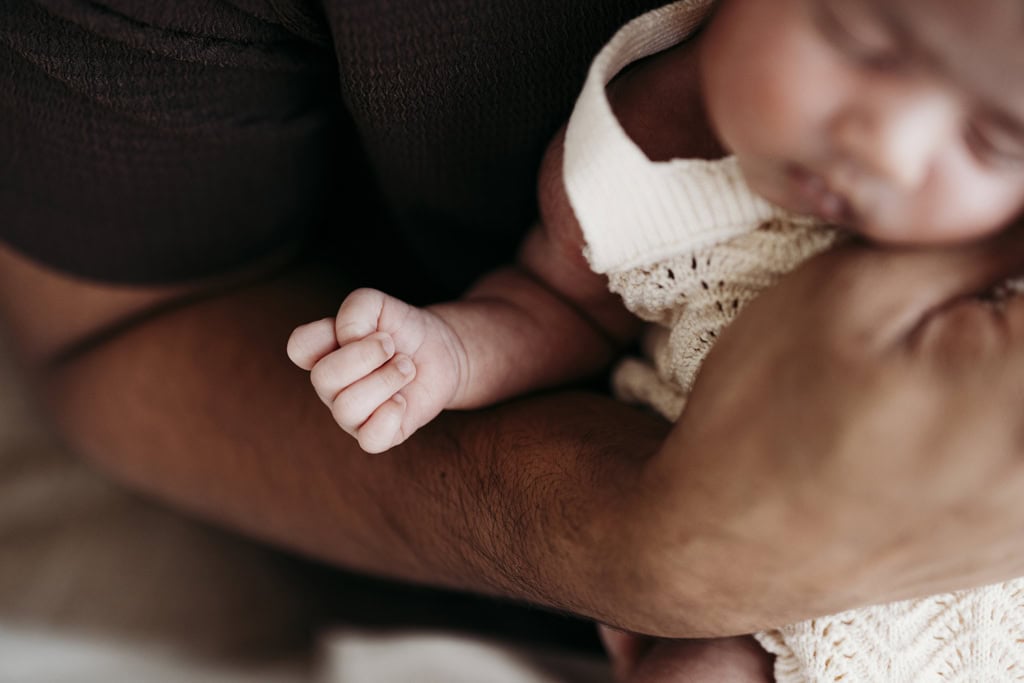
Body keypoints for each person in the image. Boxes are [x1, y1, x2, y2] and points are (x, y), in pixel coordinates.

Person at [6, 0, 1024, 679]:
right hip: (745, 592)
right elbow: (560, 308)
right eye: (858, 35)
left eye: (993, 136)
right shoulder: (643, 155)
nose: (883, 142)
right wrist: (443, 352)